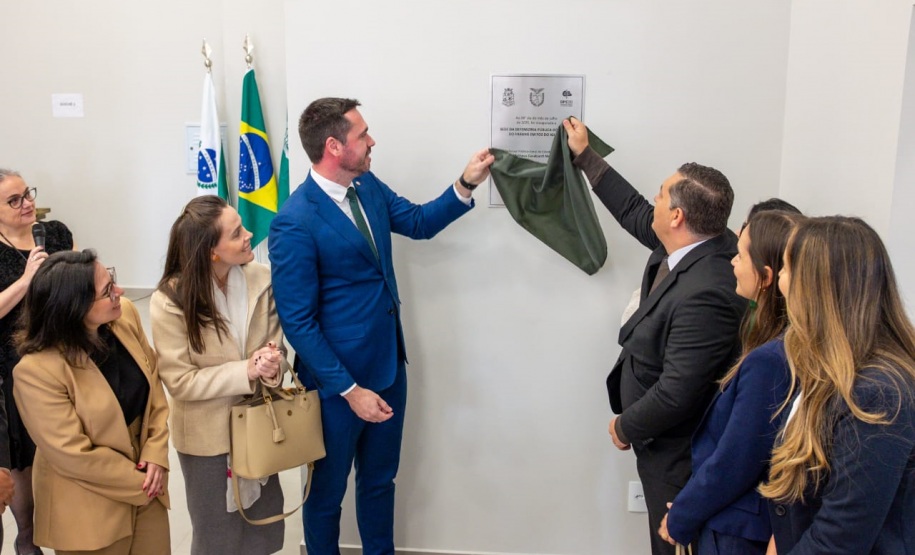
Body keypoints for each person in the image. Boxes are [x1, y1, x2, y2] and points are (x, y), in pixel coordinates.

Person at [268, 97, 493, 554]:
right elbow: (297, 322)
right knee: (327, 496)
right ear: (334, 146)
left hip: (389, 371)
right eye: (362, 135)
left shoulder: (366, 185)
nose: (372, 142)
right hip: (334, 390)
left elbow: (417, 221)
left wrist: (466, 183)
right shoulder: (294, 221)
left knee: (379, 482)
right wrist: (349, 390)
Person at [563, 118, 746, 555]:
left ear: (678, 217)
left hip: (679, 454)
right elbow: (632, 211)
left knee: (675, 545)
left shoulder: (710, 291)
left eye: (662, 196)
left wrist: (626, 425)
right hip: (659, 441)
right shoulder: (693, 242)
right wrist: (585, 156)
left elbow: (679, 391)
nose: (654, 201)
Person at [760, 216, 915, 554]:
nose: (780, 280)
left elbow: (840, 538)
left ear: (816, 287)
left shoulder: (878, 393)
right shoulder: (831, 372)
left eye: (785, 268)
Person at [657, 210, 803, 554]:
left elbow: (737, 459)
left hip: (736, 530)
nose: (733, 261)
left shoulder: (770, 361)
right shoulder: (769, 341)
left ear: (767, 276)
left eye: (741, 254)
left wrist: (683, 514)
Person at [150, 196, 286, 554]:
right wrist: (247, 370)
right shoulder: (170, 300)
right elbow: (179, 381)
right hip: (206, 438)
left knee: (264, 534)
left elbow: (276, 348)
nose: (250, 235)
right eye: (237, 233)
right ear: (211, 251)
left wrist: (272, 366)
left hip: (258, 427)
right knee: (216, 539)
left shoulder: (263, 278)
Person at [13, 250, 170, 554]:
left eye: (114, 282)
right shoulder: (35, 371)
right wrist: (142, 483)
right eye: (107, 291)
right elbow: (73, 454)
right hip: (87, 508)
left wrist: (156, 453)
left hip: (149, 486)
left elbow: (154, 390)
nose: (120, 293)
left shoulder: (124, 316)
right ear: (73, 308)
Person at [0, 168, 75, 555]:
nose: (27, 203)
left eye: (26, 194)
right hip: (12, 377)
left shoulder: (57, 233)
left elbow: (82, 286)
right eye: (13, 200)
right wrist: (26, 280)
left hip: (63, 364)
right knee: (27, 513)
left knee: (66, 493)